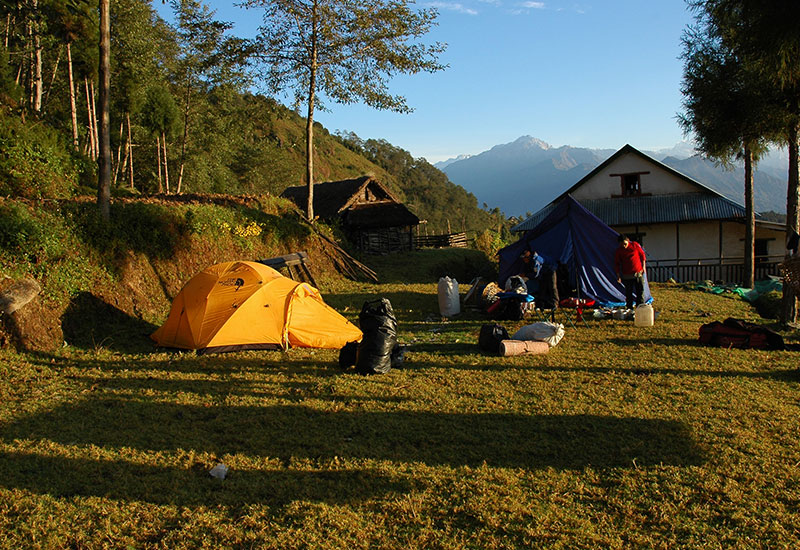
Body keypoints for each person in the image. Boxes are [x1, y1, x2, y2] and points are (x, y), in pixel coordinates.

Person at [614, 234, 646, 310]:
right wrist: (618, 275)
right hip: (627, 275)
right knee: (629, 293)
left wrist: (644, 267)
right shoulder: (619, 251)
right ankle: (629, 308)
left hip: (638, 273)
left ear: (628, 241)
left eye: (625, 244)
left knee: (640, 291)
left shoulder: (635, 245)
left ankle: (640, 307)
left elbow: (642, 255)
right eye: (622, 244)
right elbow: (617, 264)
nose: (624, 246)